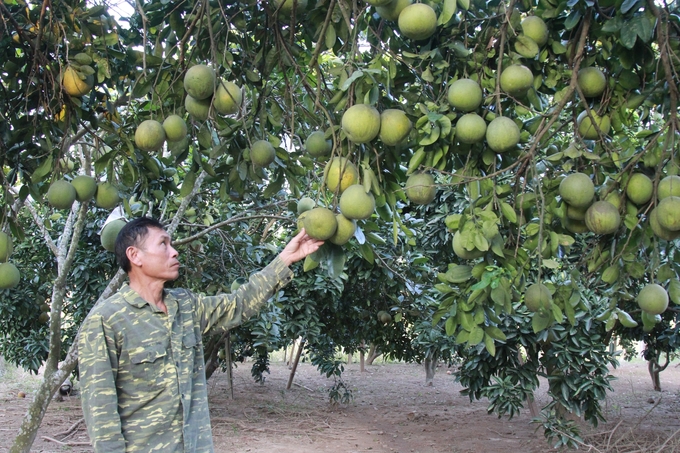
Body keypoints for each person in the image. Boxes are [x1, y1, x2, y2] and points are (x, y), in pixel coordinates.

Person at [78, 217, 323, 453]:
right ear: (135, 255)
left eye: (171, 244)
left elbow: (239, 304)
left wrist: (284, 259)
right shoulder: (107, 320)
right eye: (163, 244)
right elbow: (101, 414)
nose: (174, 251)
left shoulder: (185, 306)